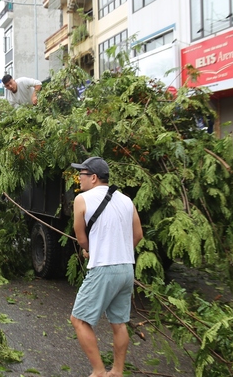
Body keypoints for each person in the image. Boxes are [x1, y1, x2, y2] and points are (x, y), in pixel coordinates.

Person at [69, 157, 143, 377]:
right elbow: (138, 235)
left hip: (103, 269)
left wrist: (91, 250)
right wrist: (119, 250)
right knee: (119, 323)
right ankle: (117, 371)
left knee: (79, 320)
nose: (78, 179)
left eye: (81, 174)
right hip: (126, 269)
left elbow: (81, 238)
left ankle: (99, 371)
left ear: (93, 177)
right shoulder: (126, 200)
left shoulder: (81, 199)